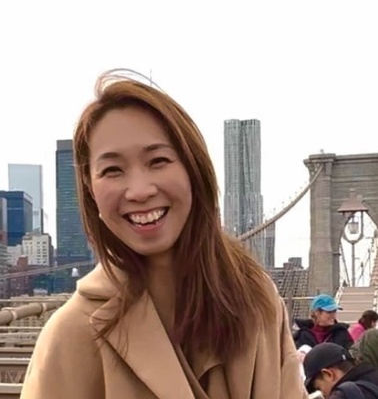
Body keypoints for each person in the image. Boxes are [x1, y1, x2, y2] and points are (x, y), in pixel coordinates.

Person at [20, 69, 306, 399]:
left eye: (158, 160)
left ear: (193, 169)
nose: (139, 191)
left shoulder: (258, 301)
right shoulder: (71, 335)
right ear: (91, 190)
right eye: (112, 170)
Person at [303, 342, 378, 398]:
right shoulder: (373, 378)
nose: (324, 396)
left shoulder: (342, 395)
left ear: (328, 375)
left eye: (319, 388)